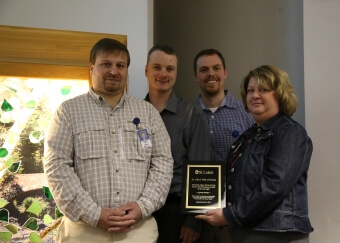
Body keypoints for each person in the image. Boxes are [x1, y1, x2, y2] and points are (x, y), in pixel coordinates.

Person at [44, 38, 174, 243]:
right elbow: (56, 167)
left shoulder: (148, 113)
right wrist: (93, 214)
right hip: (84, 232)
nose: (114, 71)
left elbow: (163, 163)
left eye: (120, 65)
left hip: (138, 231)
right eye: (106, 64)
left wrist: (143, 206)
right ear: (91, 68)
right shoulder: (68, 112)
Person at [196, 65, 314, 243]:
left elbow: (274, 187)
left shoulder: (289, 132)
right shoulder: (249, 136)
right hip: (247, 230)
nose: (255, 95)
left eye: (263, 90)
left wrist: (230, 214)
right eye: (250, 90)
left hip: (277, 233)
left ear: (280, 94)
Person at [145, 44, 211, 243]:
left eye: (170, 69)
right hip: (141, 213)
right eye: (157, 67)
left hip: (177, 213)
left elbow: (202, 169)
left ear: (176, 73)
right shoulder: (134, 113)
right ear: (146, 70)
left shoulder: (192, 114)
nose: (163, 73)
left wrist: (194, 220)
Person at [193, 49, 254, 243]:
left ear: (225, 72)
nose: (210, 74)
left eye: (216, 68)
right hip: (197, 216)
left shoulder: (247, 115)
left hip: (236, 214)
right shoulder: (187, 115)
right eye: (204, 69)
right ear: (195, 76)